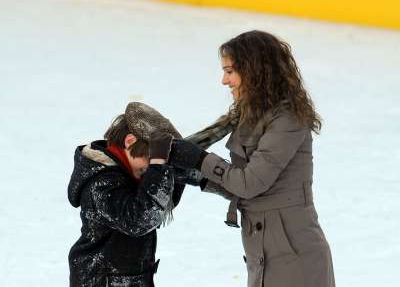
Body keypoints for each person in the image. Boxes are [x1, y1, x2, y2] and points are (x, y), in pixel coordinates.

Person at [168, 30, 336, 287]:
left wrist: (200, 160)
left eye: (230, 71)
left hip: (294, 257)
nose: (224, 80)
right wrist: (197, 177)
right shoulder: (250, 115)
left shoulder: (288, 118)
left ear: (255, 70)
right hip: (265, 252)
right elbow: (246, 188)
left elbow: (250, 183)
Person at [67, 102, 185, 287]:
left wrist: (179, 166)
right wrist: (159, 165)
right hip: (100, 281)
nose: (151, 167)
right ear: (130, 142)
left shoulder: (129, 173)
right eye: (151, 158)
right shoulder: (101, 183)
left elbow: (162, 202)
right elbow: (139, 219)